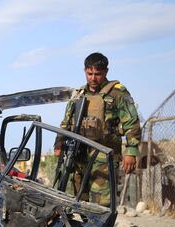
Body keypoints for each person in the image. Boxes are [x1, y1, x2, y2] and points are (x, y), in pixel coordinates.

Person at [54, 52, 141, 207]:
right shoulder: (79, 94)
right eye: (90, 74)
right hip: (79, 154)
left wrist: (131, 151)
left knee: (101, 201)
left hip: (104, 155)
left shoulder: (117, 93)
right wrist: (59, 144)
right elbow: (66, 122)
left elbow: (131, 122)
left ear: (106, 72)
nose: (93, 78)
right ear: (85, 71)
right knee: (80, 198)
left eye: (98, 74)